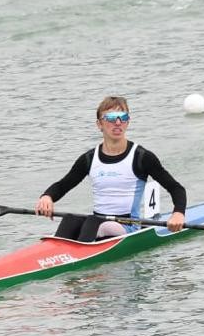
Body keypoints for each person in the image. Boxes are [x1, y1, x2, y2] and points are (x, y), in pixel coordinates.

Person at [36, 96, 189, 241]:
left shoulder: (142, 157)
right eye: (110, 118)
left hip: (128, 226)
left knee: (92, 222)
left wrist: (178, 214)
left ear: (127, 122)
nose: (117, 122)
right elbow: (63, 185)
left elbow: (176, 188)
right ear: (99, 125)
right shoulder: (89, 159)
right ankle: (52, 256)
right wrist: (47, 196)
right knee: (70, 219)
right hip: (97, 223)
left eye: (122, 117)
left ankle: (78, 258)